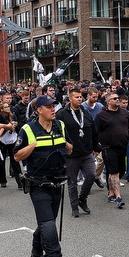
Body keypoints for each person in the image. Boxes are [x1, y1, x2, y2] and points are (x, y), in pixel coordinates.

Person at [14, 95, 72, 257]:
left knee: (47, 222)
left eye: (54, 106)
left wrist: (65, 145)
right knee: (48, 223)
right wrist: (33, 145)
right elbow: (16, 156)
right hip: (38, 184)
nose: (53, 109)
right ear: (39, 110)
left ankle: (36, 255)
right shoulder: (28, 129)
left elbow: (69, 149)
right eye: (48, 107)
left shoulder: (60, 126)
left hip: (57, 183)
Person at [56, 87, 99, 217]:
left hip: (86, 152)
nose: (79, 99)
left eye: (80, 97)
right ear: (70, 99)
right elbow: (57, 132)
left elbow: (92, 131)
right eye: (76, 97)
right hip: (71, 155)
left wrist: (96, 147)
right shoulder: (62, 114)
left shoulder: (84, 113)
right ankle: (74, 207)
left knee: (91, 175)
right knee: (72, 182)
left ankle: (82, 199)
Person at [95, 92, 129, 208]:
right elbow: (95, 131)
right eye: (115, 98)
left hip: (122, 146)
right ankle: (118, 197)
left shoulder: (124, 113)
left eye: (118, 98)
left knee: (121, 170)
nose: (117, 100)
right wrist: (96, 146)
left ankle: (111, 193)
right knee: (114, 171)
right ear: (108, 101)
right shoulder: (101, 115)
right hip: (108, 147)